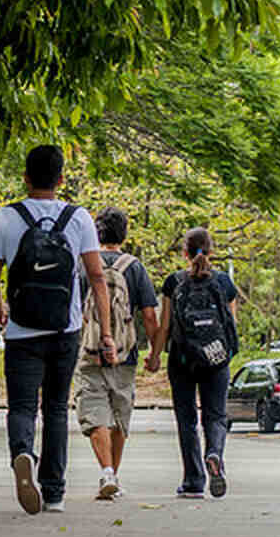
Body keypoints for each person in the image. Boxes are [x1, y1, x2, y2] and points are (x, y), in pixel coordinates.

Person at [0, 145, 110, 515]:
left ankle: (23, 451)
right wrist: (104, 332)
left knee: (22, 405)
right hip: (64, 330)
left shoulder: (6, 218)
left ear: (25, 177)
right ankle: (53, 492)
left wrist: (1, 310)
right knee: (56, 407)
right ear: (61, 179)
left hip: (22, 331)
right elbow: (97, 277)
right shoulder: (79, 218)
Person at [74, 208, 160, 501]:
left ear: (97, 234)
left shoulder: (85, 264)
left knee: (94, 410)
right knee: (120, 415)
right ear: (124, 234)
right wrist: (154, 352)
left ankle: (107, 472)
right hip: (125, 355)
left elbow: (74, 310)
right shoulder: (134, 267)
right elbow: (149, 315)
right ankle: (113, 476)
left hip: (89, 352)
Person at [157, 227, 239, 499]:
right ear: (212, 251)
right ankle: (214, 454)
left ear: (184, 252)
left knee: (187, 418)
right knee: (215, 415)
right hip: (216, 358)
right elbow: (231, 326)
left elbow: (165, 325)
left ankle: (193, 480)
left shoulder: (173, 282)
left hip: (182, 358)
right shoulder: (224, 283)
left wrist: (155, 355)